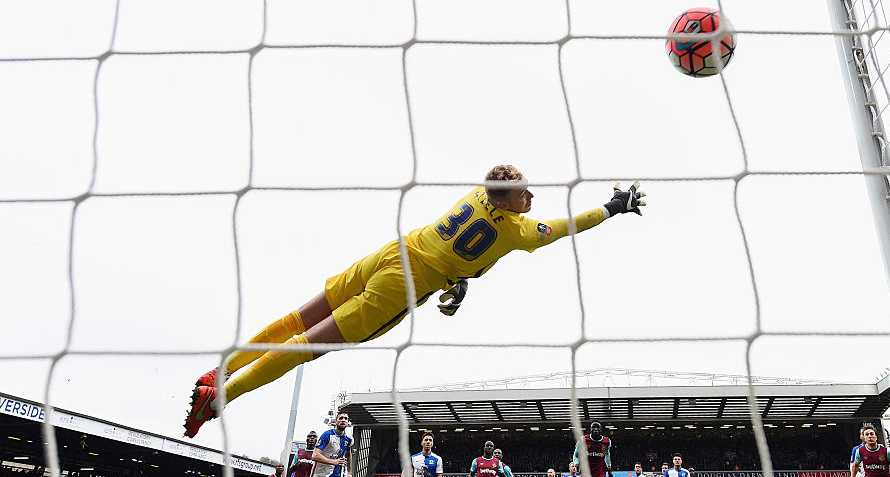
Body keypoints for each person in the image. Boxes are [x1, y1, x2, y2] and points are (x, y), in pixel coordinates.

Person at [183, 167, 646, 436]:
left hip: (392, 251)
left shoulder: (474, 195)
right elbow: (563, 227)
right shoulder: (519, 231)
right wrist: (612, 208)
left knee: (297, 317)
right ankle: (223, 396)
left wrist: (461, 277)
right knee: (309, 343)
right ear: (508, 203)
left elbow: (465, 250)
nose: (532, 196)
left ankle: (220, 369)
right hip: (402, 284)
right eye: (525, 192)